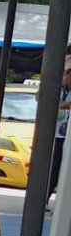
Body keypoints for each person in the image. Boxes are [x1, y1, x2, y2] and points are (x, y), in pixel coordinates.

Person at [50, 56, 71, 207]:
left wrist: (67, 105)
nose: (64, 76)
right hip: (56, 135)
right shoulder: (57, 87)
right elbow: (40, 96)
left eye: (66, 73)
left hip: (66, 136)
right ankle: (44, 198)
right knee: (53, 169)